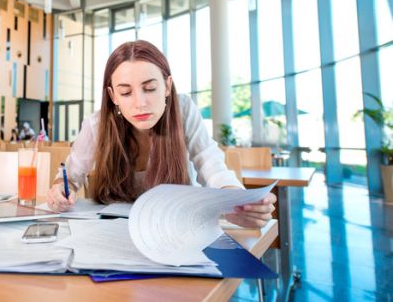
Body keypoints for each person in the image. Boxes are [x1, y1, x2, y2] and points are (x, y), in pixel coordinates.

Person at [46, 40, 276, 228]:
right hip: (114, 232)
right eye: (126, 92)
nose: (140, 103)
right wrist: (60, 190)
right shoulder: (97, 125)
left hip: (176, 230)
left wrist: (236, 203)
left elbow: (211, 165)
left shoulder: (183, 108)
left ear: (167, 86)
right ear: (113, 95)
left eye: (150, 88)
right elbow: (71, 177)